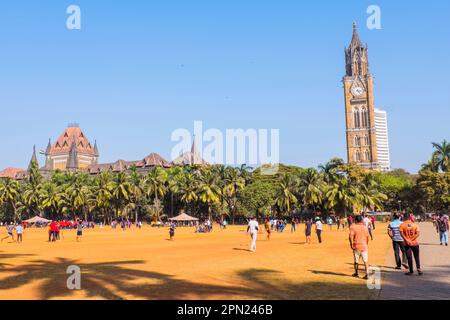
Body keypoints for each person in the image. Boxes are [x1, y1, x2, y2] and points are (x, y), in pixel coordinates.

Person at [349, 215, 370, 280]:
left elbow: (350, 237)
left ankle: (356, 273)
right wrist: (366, 244)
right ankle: (367, 274)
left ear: (355, 220)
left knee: (356, 261)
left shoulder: (353, 227)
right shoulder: (365, 227)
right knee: (365, 261)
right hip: (364, 246)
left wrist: (351, 244)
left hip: (356, 246)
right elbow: (367, 237)